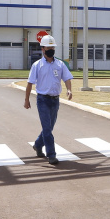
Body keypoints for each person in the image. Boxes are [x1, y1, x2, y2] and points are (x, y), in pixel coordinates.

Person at [23, 35, 73, 165]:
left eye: (53, 47)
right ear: (43, 49)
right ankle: (51, 155)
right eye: (48, 47)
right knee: (46, 128)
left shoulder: (60, 64)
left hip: (55, 100)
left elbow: (67, 78)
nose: (51, 49)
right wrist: (26, 100)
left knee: (49, 128)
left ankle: (38, 145)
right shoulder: (37, 65)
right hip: (42, 100)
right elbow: (29, 83)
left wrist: (69, 89)